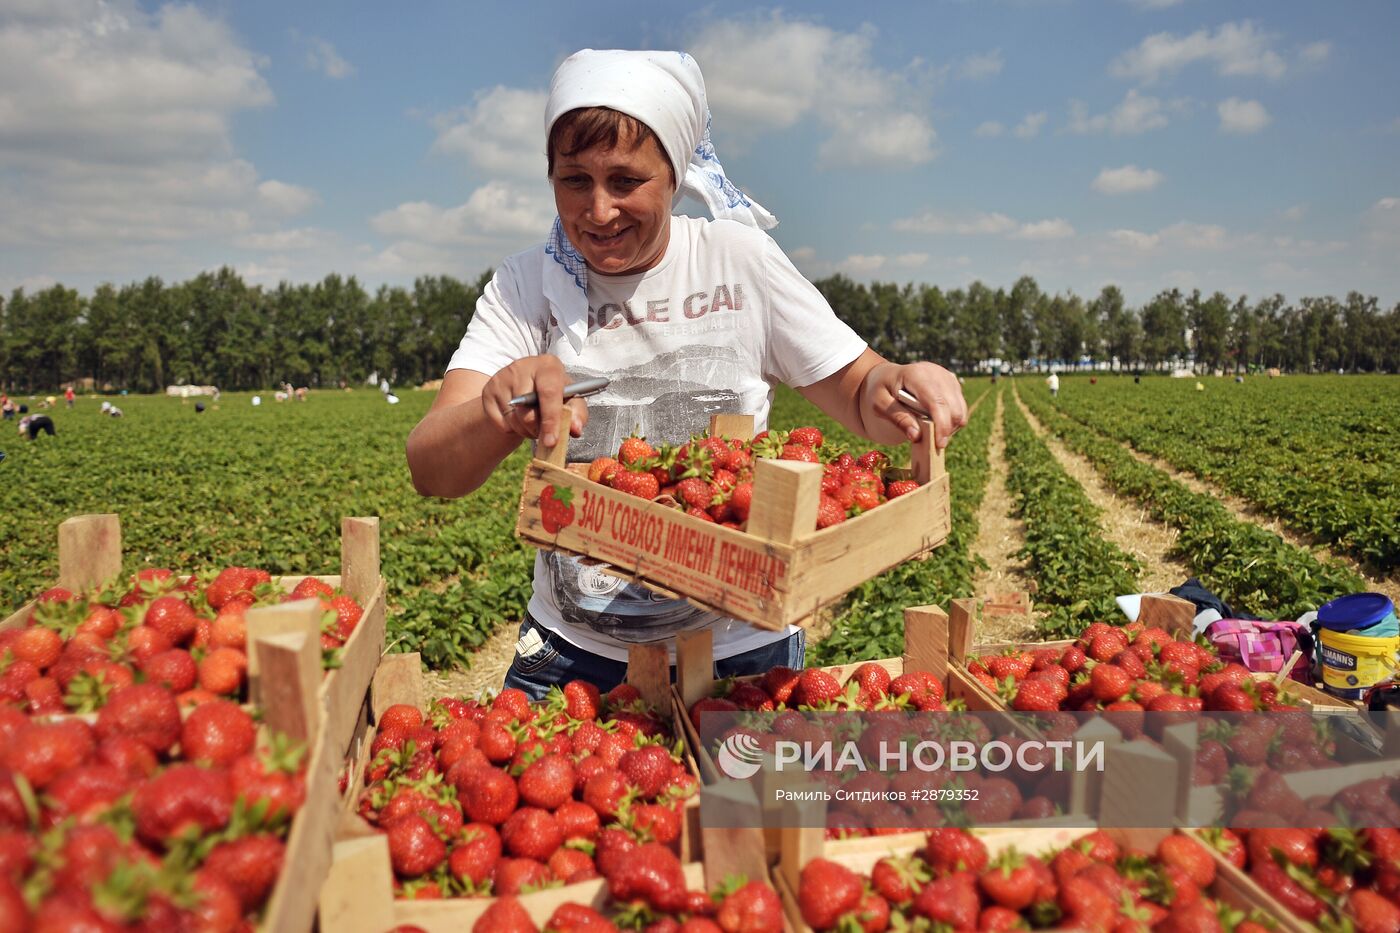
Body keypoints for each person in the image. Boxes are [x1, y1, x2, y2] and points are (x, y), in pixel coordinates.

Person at [405, 49, 969, 700]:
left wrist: (900, 383)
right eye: (574, 180)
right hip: (571, 662)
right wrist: (496, 412)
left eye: (625, 181)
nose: (598, 210)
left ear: (674, 174)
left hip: (744, 651)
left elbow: (860, 391)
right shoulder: (524, 285)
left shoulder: (739, 260)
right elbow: (430, 466)